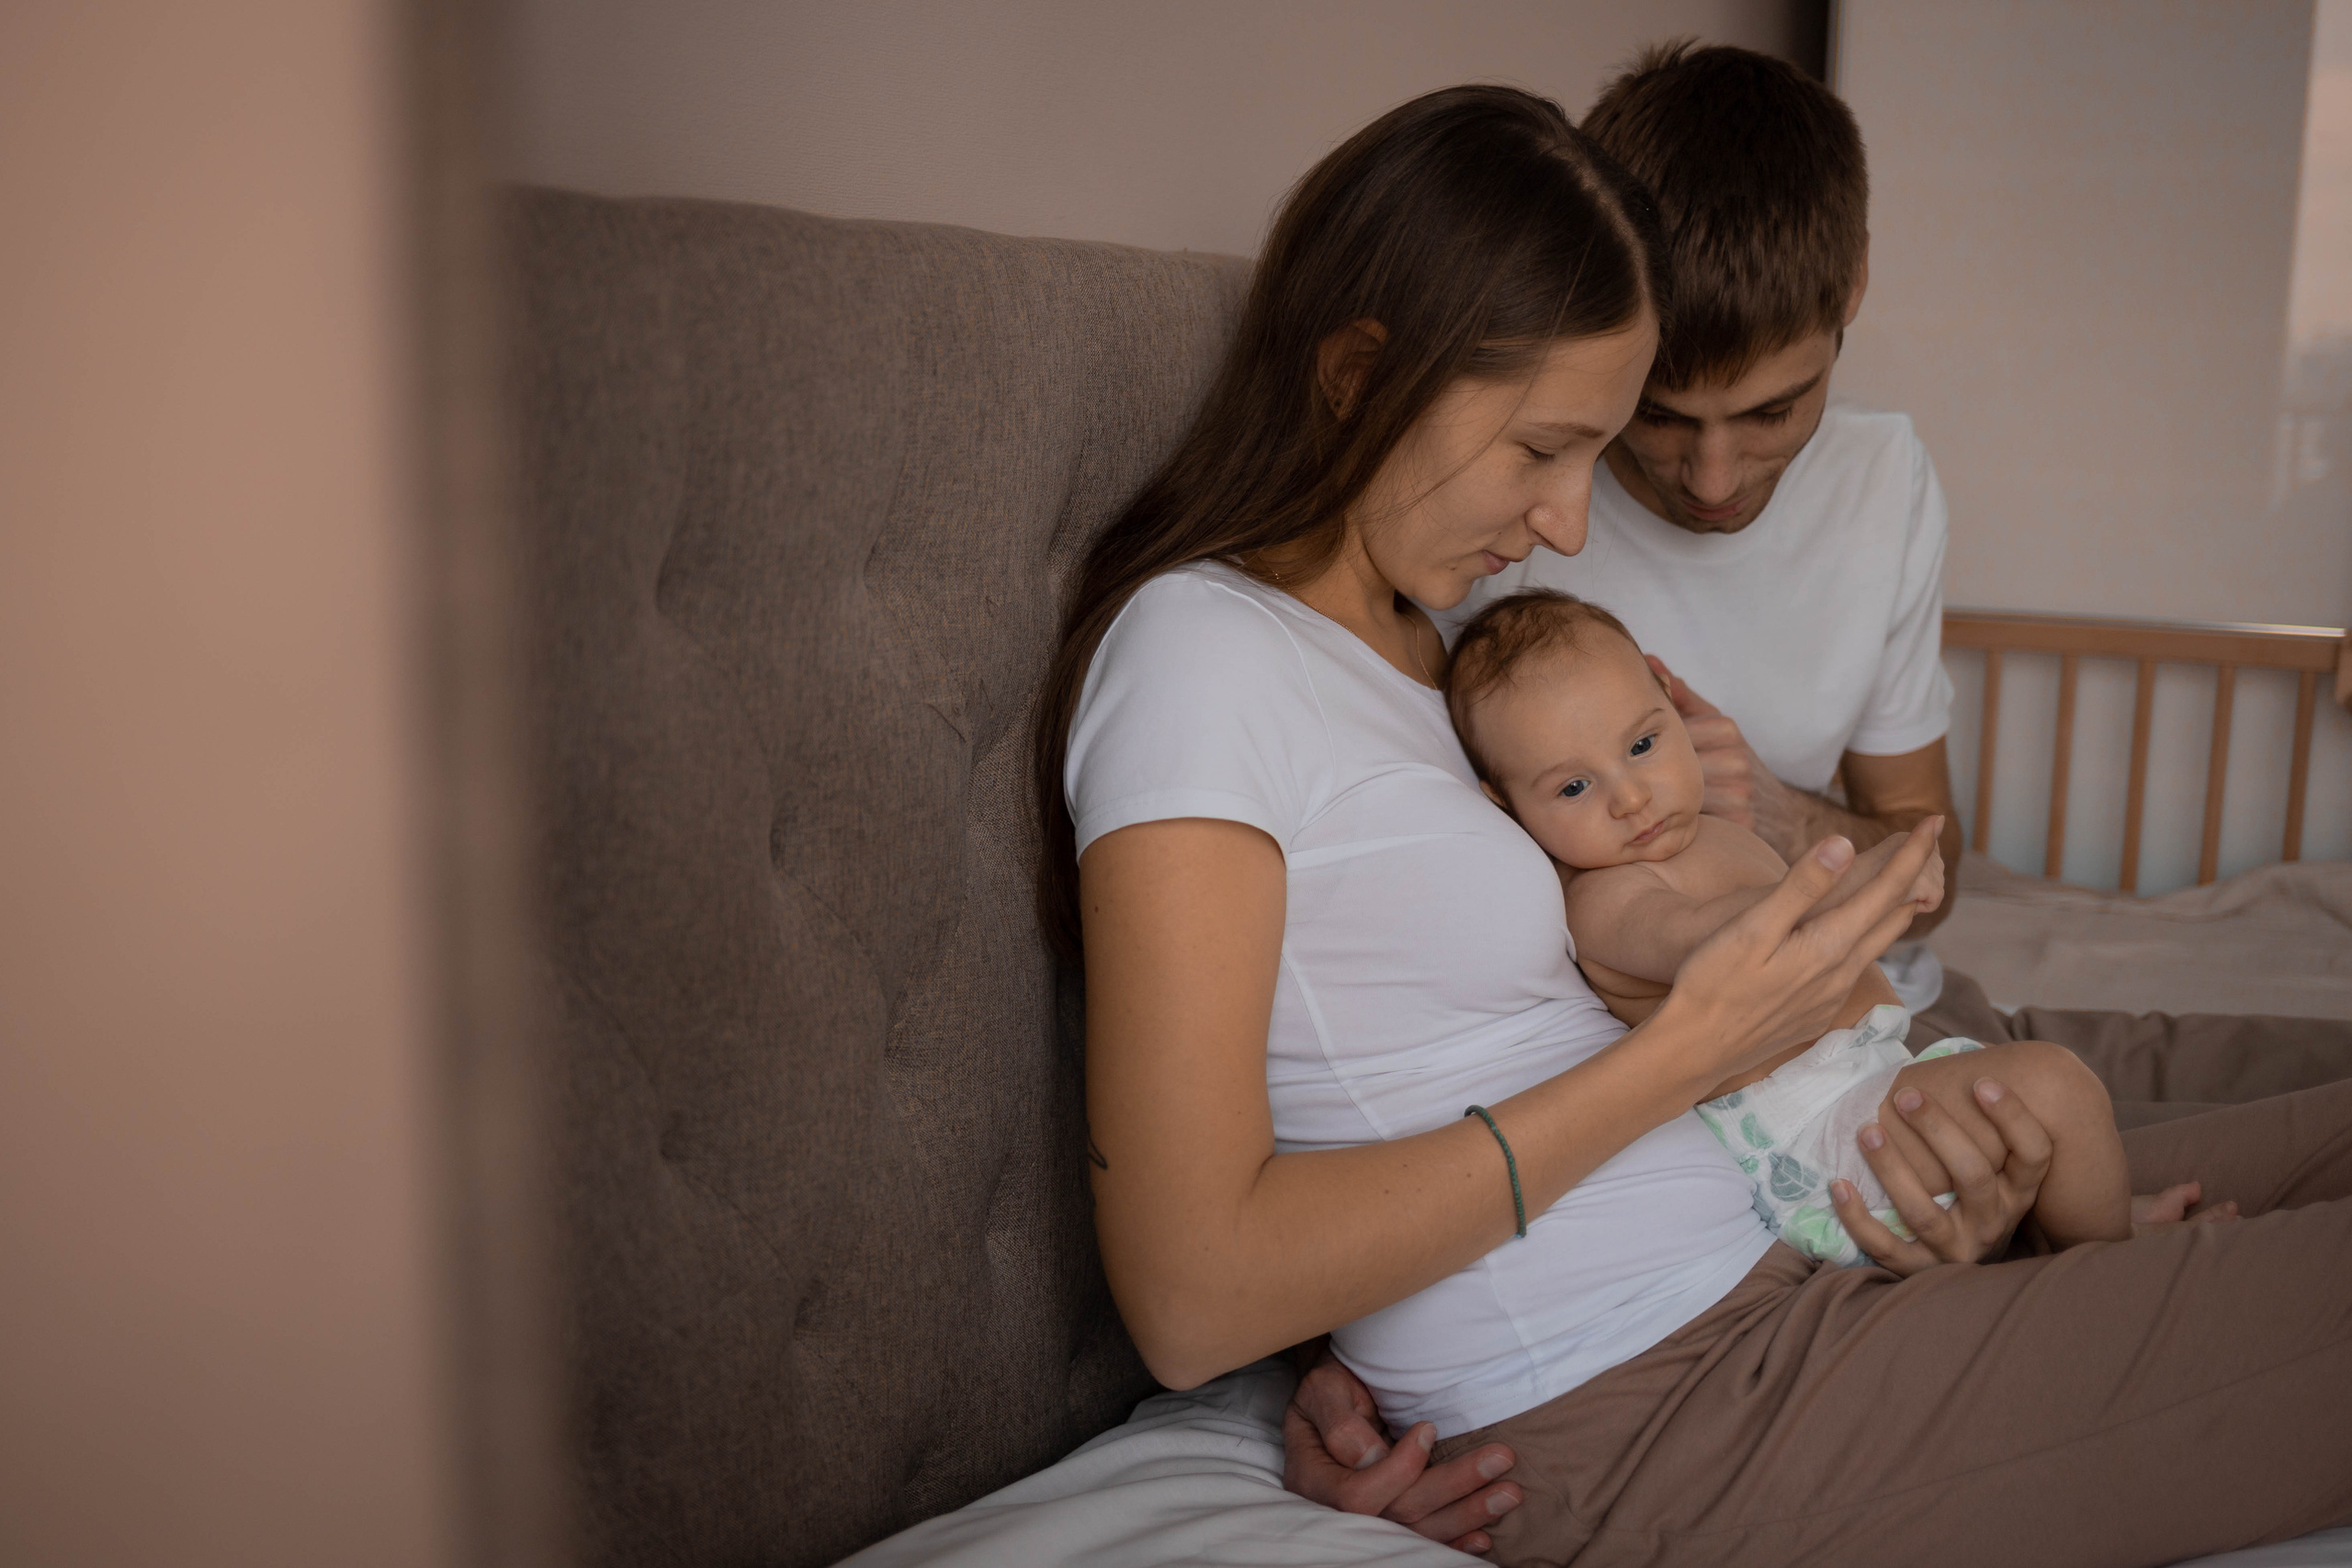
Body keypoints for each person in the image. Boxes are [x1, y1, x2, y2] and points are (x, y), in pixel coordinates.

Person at [1039, 83, 2352, 1567]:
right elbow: (1194, 1289)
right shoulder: (1201, 658)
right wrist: (1689, 1049)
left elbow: (1384, 1055)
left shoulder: (1425, 639)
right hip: (1655, 1392)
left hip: (1791, 1236)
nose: (1570, 524)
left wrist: (1333, 1358)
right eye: (1541, 451)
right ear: (1357, 373)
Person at [1448, 589, 2138, 1266]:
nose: (1630, 797)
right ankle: (2110, 1255)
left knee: (2035, 1110)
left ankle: (2093, 1219)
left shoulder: (1715, 832)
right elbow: (1708, 936)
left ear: (1671, 700)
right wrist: (1858, 881)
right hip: (1813, 1135)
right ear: (1505, 805)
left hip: (1872, 1083)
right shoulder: (1604, 897)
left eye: (1643, 743)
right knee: (2055, 1086)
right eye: (1573, 787)